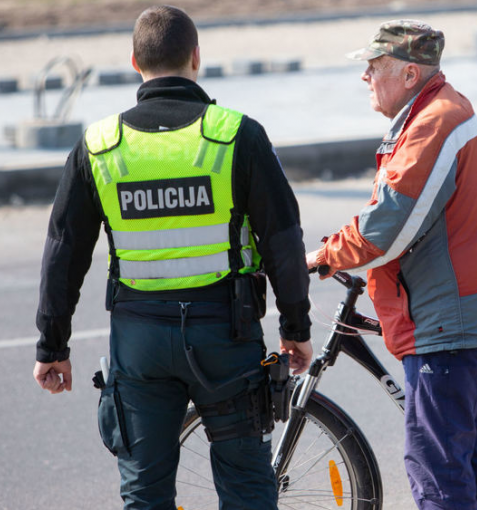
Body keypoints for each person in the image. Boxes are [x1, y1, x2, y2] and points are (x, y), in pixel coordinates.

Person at [31, 6, 312, 509]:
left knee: (145, 491)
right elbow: (284, 239)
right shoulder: (237, 134)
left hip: (140, 342)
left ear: (135, 61)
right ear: (196, 58)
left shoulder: (101, 146)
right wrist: (296, 327)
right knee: (247, 487)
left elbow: (63, 252)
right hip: (226, 333)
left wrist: (52, 345)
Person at [305, 20, 477, 510]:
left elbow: (387, 229)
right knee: (470, 455)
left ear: (407, 73)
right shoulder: (435, 112)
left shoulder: (433, 124)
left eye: (373, 66)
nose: (365, 77)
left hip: (449, 322)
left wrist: (324, 254)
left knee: (438, 471)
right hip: (463, 310)